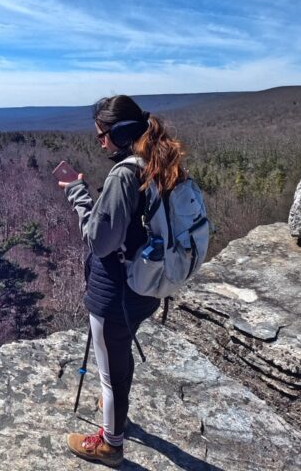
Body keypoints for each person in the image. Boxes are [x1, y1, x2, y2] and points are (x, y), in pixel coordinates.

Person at [57, 95, 187, 468]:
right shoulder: (162, 163)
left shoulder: (124, 174)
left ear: (122, 132)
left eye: (102, 135)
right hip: (149, 284)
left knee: (110, 372)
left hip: (116, 291)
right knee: (119, 355)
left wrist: (78, 195)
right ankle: (115, 409)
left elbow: (100, 241)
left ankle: (110, 443)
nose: (100, 143)